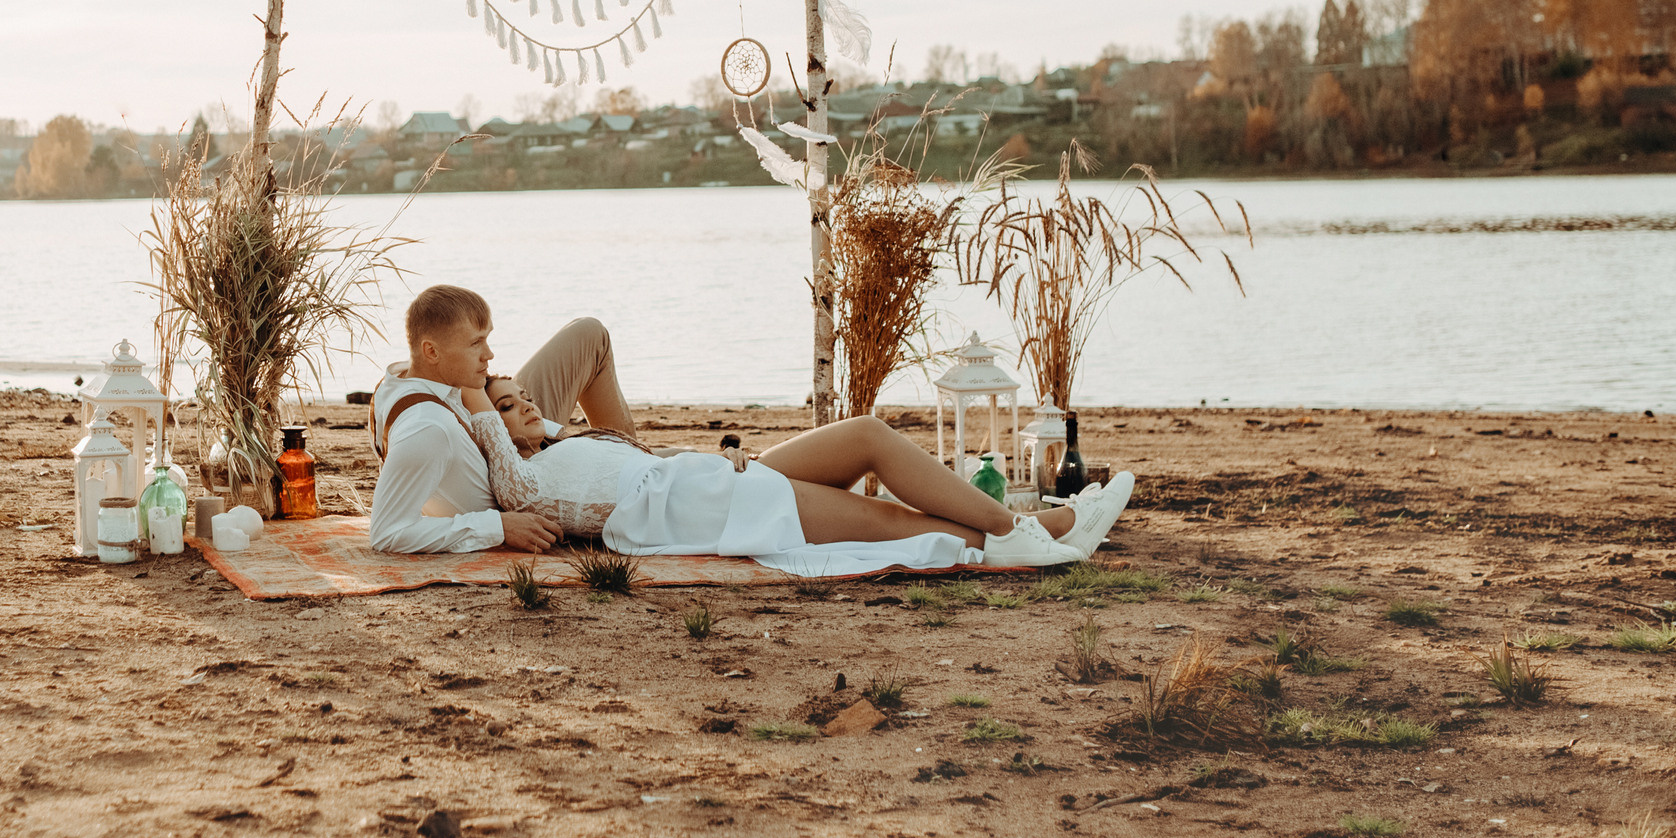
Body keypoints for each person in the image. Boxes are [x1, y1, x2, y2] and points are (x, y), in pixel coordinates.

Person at [469, 375, 1135, 575]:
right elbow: (507, 475)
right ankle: (1037, 530)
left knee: (866, 434)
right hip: (706, 508)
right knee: (886, 521)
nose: (522, 405)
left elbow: (638, 459)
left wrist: (714, 454)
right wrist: (475, 402)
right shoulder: (528, 480)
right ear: (489, 428)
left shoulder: (562, 443)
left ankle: (1029, 528)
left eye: (524, 396)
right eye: (505, 406)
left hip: (713, 480)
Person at [366, 284, 628, 554]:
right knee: (645, 470)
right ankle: (629, 455)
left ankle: (626, 453)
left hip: (502, 435)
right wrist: (500, 527)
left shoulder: (400, 377)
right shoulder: (429, 429)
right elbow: (387, 533)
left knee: (589, 333)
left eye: (486, 339)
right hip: (524, 481)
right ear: (431, 352)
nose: (489, 354)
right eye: (475, 343)